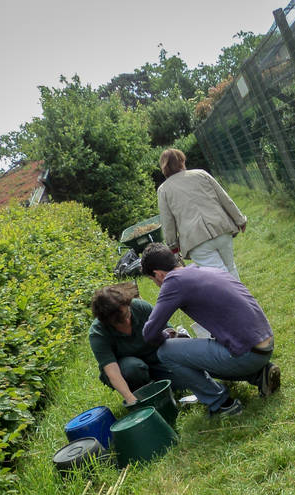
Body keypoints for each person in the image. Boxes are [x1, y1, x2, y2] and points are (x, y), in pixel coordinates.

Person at [140, 243, 281, 417]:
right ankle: (261, 375)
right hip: (264, 345)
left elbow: (149, 333)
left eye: (152, 280)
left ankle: (222, 404)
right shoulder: (203, 270)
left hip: (247, 354)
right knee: (192, 352)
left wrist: (166, 337)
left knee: (166, 352)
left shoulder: (173, 282)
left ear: (158, 274)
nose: (156, 284)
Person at [157, 148, 247, 281]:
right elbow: (224, 198)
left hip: (195, 240)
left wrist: (173, 247)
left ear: (164, 167)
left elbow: (167, 222)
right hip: (221, 229)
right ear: (182, 161)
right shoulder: (201, 174)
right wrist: (240, 220)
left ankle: (236, 300)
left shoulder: (163, 190)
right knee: (230, 267)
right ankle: (243, 299)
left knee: (218, 276)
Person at [89, 282, 175, 406]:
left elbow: (169, 334)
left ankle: (161, 382)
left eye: (126, 314)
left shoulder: (140, 307)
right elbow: (112, 371)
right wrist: (131, 400)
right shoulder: (98, 333)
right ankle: (143, 395)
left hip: (155, 358)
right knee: (133, 368)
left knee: (183, 382)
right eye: (119, 321)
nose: (127, 320)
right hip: (128, 370)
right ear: (107, 321)